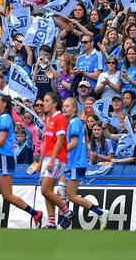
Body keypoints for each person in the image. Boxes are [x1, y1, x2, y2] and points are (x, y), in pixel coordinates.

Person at [0, 94, 43, 228]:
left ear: (4, 104)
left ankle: (35, 213)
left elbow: (1, 140)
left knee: (7, 195)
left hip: (4, 158)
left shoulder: (6, 118)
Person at [59, 97, 108, 229]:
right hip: (70, 163)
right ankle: (62, 223)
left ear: (74, 108)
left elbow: (73, 144)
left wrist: (57, 153)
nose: (64, 108)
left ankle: (100, 212)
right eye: (63, 106)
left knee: (71, 196)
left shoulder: (74, 122)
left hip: (76, 163)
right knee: (60, 190)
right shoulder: (71, 122)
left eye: (67, 106)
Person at [36, 92, 73, 229]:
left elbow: (60, 141)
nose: (43, 103)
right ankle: (51, 222)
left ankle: (67, 212)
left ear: (55, 103)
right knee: (48, 192)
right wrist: (40, 161)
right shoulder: (47, 120)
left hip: (57, 158)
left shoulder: (60, 118)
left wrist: (52, 160)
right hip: (46, 157)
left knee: (45, 190)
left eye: (46, 101)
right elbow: (45, 143)